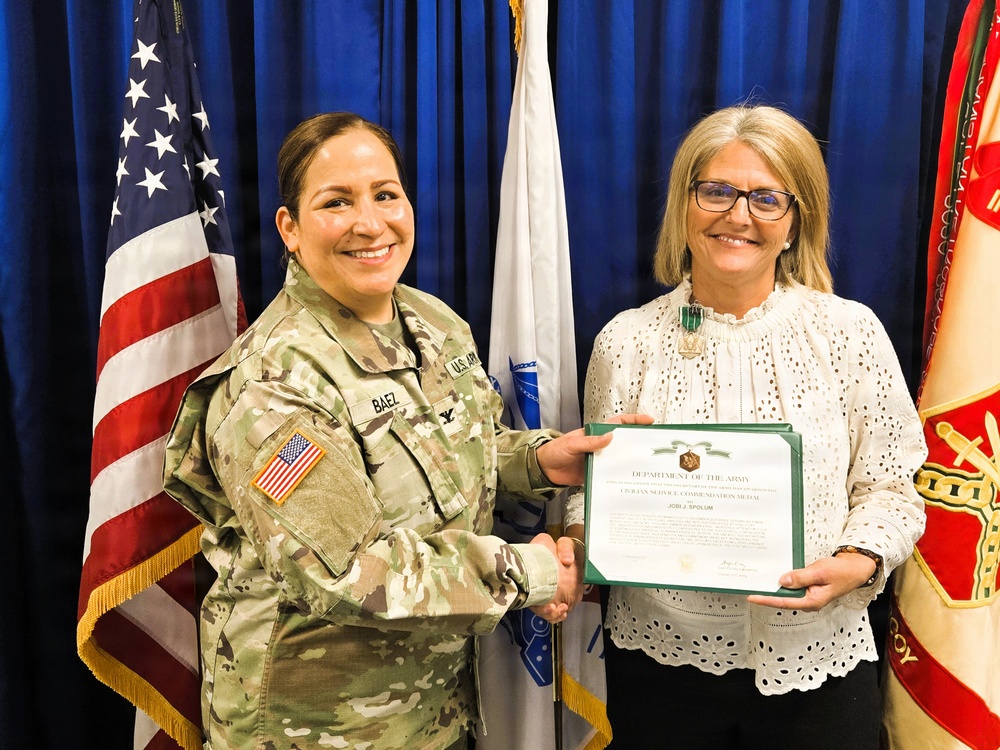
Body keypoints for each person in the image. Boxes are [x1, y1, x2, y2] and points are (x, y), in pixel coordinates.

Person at [162, 112, 647, 750]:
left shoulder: (432, 322)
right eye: (337, 202)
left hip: (432, 712)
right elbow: (349, 571)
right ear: (291, 229)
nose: (370, 223)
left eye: (385, 195)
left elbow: (447, 452)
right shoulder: (271, 387)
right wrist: (531, 572)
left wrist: (540, 459)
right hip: (312, 729)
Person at [568, 104, 927, 749]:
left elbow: (892, 491)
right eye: (718, 192)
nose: (739, 216)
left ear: (796, 222)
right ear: (685, 206)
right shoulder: (624, 342)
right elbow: (587, 488)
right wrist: (580, 537)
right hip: (660, 665)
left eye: (767, 198)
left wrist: (856, 561)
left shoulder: (850, 334)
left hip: (817, 666)